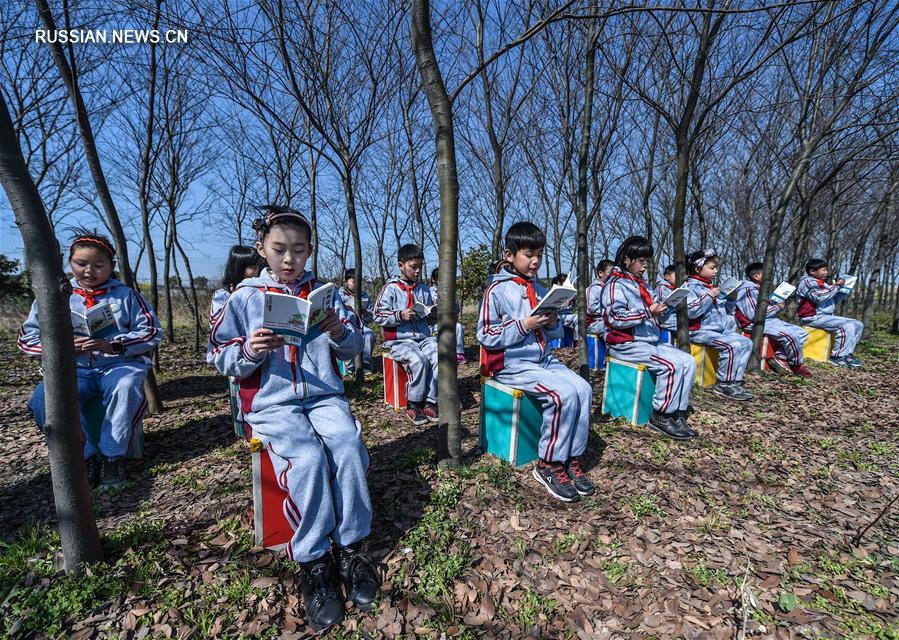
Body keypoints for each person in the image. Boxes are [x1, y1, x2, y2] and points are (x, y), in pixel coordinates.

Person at [207, 206, 378, 632]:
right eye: (279, 250)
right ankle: (314, 560)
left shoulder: (328, 293)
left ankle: (352, 547)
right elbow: (219, 356)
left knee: (348, 447)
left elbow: (355, 347)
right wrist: (251, 349)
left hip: (324, 397)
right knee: (306, 458)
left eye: (299, 251)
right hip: (273, 404)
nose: (289, 259)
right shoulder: (244, 297)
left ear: (309, 252)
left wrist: (338, 330)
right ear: (262, 248)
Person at [18, 230, 162, 488]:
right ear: (70, 263)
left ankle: (112, 458)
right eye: (81, 264)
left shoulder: (126, 295)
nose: (89, 271)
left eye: (98, 265)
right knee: (42, 400)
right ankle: (84, 457)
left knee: (126, 388)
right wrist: (61, 348)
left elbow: (152, 332)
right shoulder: (53, 297)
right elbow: (27, 339)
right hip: (73, 369)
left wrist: (115, 344)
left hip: (119, 365)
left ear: (111, 266)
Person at [478, 221, 594, 503]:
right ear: (509, 255)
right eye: (529, 254)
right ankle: (548, 464)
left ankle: (571, 457)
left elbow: (552, 333)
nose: (535, 261)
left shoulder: (541, 289)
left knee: (584, 390)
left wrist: (552, 322)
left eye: (539, 255)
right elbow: (485, 335)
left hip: (543, 360)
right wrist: (526, 324)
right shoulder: (496, 291)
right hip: (512, 364)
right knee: (561, 394)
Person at [602, 236, 697, 440]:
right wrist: (648, 312)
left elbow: (653, 311)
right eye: (641, 260)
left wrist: (666, 306)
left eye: (647, 260)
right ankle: (661, 415)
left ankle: (676, 413)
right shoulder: (616, 283)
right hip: (626, 344)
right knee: (670, 365)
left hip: (648, 341)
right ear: (626, 259)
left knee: (688, 362)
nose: (645, 265)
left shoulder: (641, 283)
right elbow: (614, 317)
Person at [373, 244, 439, 425]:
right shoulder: (390, 289)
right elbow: (377, 315)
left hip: (424, 337)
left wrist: (433, 315)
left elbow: (429, 316)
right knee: (418, 360)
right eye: (413, 267)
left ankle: (431, 401)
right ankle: (413, 402)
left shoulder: (424, 289)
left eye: (420, 267)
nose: (417, 271)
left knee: (438, 354)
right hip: (399, 340)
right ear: (400, 265)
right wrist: (399, 315)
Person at [684, 249, 754, 401]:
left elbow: (726, 311)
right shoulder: (690, 287)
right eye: (712, 268)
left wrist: (731, 299)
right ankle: (724, 383)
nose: (716, 271)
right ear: (697, 268)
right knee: (733, 345)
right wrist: (709, 296)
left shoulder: (710, 287)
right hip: (699, 331)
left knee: (746, 342)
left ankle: (735, 380)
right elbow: (691, 311)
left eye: (716, 267)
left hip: (717, 332)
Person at [735, 262, 811, 377]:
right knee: (790, 336)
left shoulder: (759, 289)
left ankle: (781, 358)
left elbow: (763, 308)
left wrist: (774, 302)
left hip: (768, 320)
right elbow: (754, 315)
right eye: (768, 274)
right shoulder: (747, 290)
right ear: (756, 277)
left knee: (802, 333)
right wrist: (777, 307)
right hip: (754, 324)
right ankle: (796, 366)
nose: (770, 277)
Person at [796, 258, 863, 368]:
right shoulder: (807, 282)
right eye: (823, 270)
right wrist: (836, 286)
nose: (826, 272)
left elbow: (832, 299)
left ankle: (847, 354)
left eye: (826, 270)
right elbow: (819, 297)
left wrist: (843, 291)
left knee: (858, 324)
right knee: (846, 326)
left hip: (826, 316)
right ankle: (837, 357)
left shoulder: (824, 284)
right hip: (812, 317)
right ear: (812, 271)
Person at [209, 245, 263, 330]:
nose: (258, 272)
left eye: (258, 267)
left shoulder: (259, 293)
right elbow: (216, 326)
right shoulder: (222, 295)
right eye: (254, 267)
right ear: (239, 268)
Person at [338, 268, 376, 373]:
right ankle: (350, 367)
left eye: (358, 282)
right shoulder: (340, 296)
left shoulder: (364, 296)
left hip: (362, 325)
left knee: (369, 335)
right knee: (350, 336)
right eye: (353, 282)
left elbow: (372, 316)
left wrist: (366, 313)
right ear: (346, 282)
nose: (356, 284)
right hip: (346, 325)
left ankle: (366, 364)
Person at [428, 267, 467, 364]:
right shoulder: (428, 292)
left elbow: (456, 310)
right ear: (433, 280)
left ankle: (459, 353)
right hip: (432, 324)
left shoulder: (450, 292)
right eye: (439, 279)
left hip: (448, 320)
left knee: (458, 327)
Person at [586, 259, 614, 336]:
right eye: (610, 272)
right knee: (614, 327)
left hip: (608, 319)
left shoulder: (612, 287)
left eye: (614, 273)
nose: (613, 275)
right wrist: (608, 310)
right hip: (594, 323)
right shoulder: (594, 288)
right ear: (600, 273)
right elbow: (591, 308)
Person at [652, 264, 679, 338]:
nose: (679, 279)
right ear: (667, 276)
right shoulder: (662, 287)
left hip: (676, 325)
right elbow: (661, 303)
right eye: (676, 276)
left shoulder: (676, 288)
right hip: (666, 325)